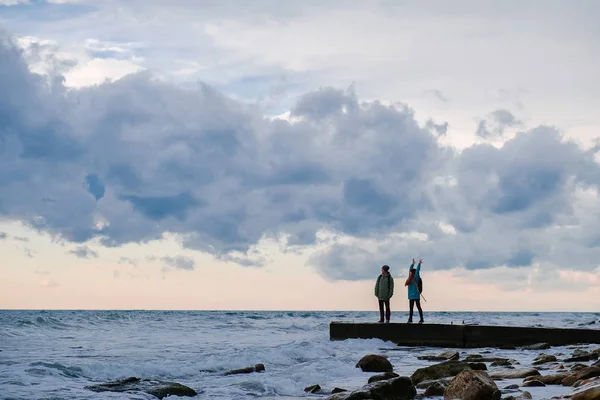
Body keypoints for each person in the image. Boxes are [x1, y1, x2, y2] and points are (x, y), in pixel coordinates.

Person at [405, 258, 424, 324]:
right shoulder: (409, 279)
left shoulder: (416, 277)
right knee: (411, 308)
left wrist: (419, 264)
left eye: (410, 272)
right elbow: (409, 270)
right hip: (411, 295)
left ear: (413, 273)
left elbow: (417, 271)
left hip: (416, 295)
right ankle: (410, 319)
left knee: (418, 307)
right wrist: (412, 264)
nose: (409, 273)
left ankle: (421, 318)